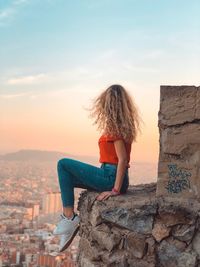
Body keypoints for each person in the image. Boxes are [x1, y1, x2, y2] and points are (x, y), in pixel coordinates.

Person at [52, 84, 142, 252]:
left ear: (109, 104)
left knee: (62, 164)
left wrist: (115, 190)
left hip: (111, 176)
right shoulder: (121, 126)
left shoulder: (116, 129)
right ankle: (68, 221)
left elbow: (122, 160)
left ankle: (69, 218)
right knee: (68, 175)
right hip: (109, 173)